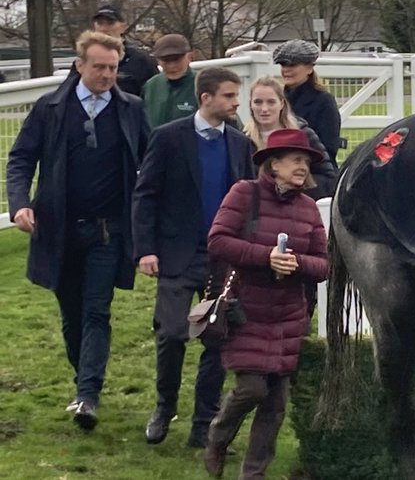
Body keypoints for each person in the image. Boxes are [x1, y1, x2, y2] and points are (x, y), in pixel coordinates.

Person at [5, 31, 149, 430]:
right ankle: (82, 381)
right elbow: (20, 159)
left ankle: (88, 395)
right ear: (79, 65)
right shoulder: (50, 109)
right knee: (71, 315)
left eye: (113, 68)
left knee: (96, 311)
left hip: (108, 230)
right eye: (99, 67)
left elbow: (150, 161)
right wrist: (20, 204)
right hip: (60, 230)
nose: (106, 75)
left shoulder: (131, 109)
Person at [132, 67, 256, 448]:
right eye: (229, 96)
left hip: (223, 257)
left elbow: (250, 199)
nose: (236, 103)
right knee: (171, 334)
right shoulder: (169, 138)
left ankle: (204, 422)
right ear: (206, 98)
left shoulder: (238, 144)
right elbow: (145, 194)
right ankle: (164, 408)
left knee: (216, 339)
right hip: (176, 253)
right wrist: (146, 249)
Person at [203, 128, 330, 479]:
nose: (302, 167)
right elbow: (217, 242)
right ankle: (218, 435)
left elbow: (323, 264)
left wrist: (296, 263)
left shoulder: (308, 208)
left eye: (306, 161)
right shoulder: (244, 194)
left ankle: (253, 474)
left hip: (289, 315)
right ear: (274, 164)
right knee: (252, 388)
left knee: (275, 405)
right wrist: (266, 257)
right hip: (247, 309)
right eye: (295, 160)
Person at [243, 76, 337, 200]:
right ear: (250, 105)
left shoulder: (304, 135)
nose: (264, 109)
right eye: (258, 102)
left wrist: (291, 191)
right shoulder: (242, 140)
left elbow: (328, 179)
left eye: (271, 102)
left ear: (282, 103)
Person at [272, 39, 342, 168]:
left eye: (292, 65)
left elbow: (328, 148)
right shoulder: (277, 99)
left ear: (309, 68)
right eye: (283, 65)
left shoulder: (324, 101)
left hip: (314, 173)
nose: (286, 70)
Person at [90, 4, 158, 97]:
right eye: (100, 23)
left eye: (110, 23)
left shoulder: (140, 60)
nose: (104, 28)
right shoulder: (85, 59)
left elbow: (155, 96)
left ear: (123, 27)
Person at [141, 33, 198, 127]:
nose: (172, 66)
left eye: (177, 60)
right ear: (158, 60)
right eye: (166, 60)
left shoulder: (202, 84)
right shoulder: (151, 86)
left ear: (189, 57)